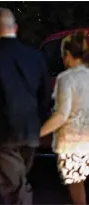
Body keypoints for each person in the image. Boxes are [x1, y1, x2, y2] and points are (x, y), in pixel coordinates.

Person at [0, 8, 51, 204]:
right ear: (15, 28)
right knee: (19, 181)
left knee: (14, 186)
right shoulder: (35, 56)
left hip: (3, 132)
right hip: (31, 130)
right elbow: (44, 95)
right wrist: (42, 123)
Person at [40, 31, 89, 205]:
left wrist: (39, 132)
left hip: (74, 143)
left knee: (77, 190)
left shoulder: (67, 78)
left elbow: (61, 116)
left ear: (67, 55)